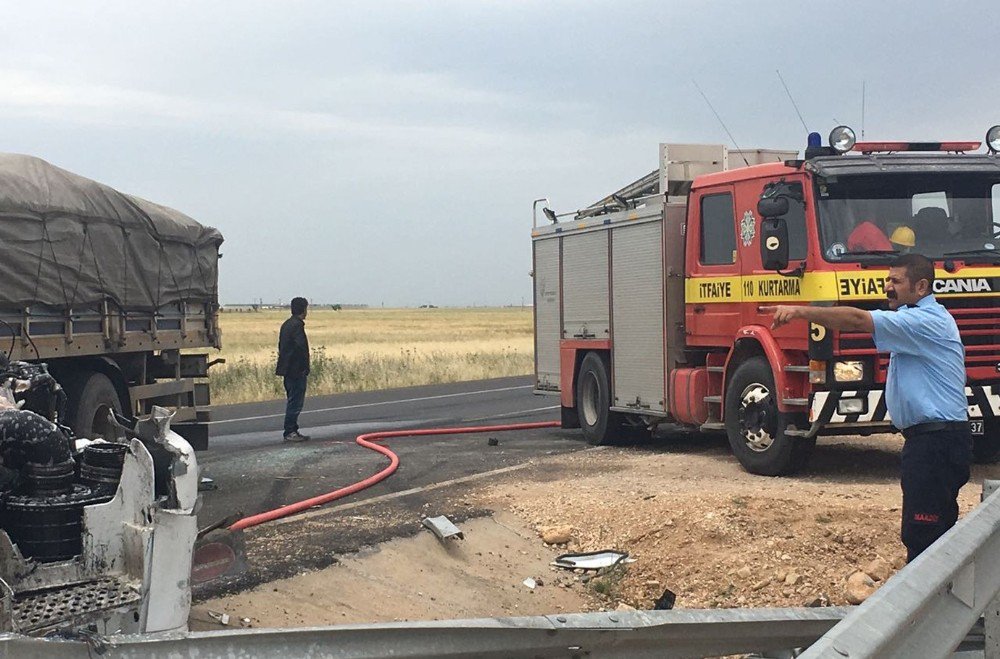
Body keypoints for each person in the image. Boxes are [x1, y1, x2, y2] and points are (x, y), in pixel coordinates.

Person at [761, 253, 971, 562]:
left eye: (896, 281)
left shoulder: (923, 321)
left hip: (935, 444)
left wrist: (799, 312)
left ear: (922, 286)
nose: (888, 287)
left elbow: (859, 320)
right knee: (932, 533)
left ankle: (930, 608)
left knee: (924, 537)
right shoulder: (918, 319)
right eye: (888, 280)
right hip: (934, 440)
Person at [275, 297, 311, 442]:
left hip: (287, 369)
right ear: (303, 310)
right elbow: (300, 348)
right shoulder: (297, 326)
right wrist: (304, 367)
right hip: (296, 370)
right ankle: (290, 431)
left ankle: (293, 429)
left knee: (292, 399)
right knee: (295, 401)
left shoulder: (287, 325)